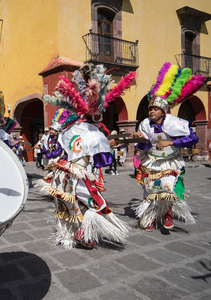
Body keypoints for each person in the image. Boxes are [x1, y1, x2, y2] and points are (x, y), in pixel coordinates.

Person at [37, 63, 135, 248]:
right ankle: (83, 233)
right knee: (98, 206)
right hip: (79, 178)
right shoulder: (94, 133)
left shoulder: (68, 129)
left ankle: (69, 235)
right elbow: (104, 160)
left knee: (67, 207)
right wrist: (105, 146)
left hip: (61, 177)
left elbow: (54, 151)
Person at [130, 62, 205, 232]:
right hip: (152, 160)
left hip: (170, 161)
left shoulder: (173, 122)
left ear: (163, 112)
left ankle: (168, 214)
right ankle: (150, 216)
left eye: (155, 109)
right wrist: (138, 138)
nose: (151, 112)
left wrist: (170, 142)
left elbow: (193, 137)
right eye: (150, 109)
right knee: (149, 189)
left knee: (167, 187)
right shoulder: (144, 124)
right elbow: (145, 145)